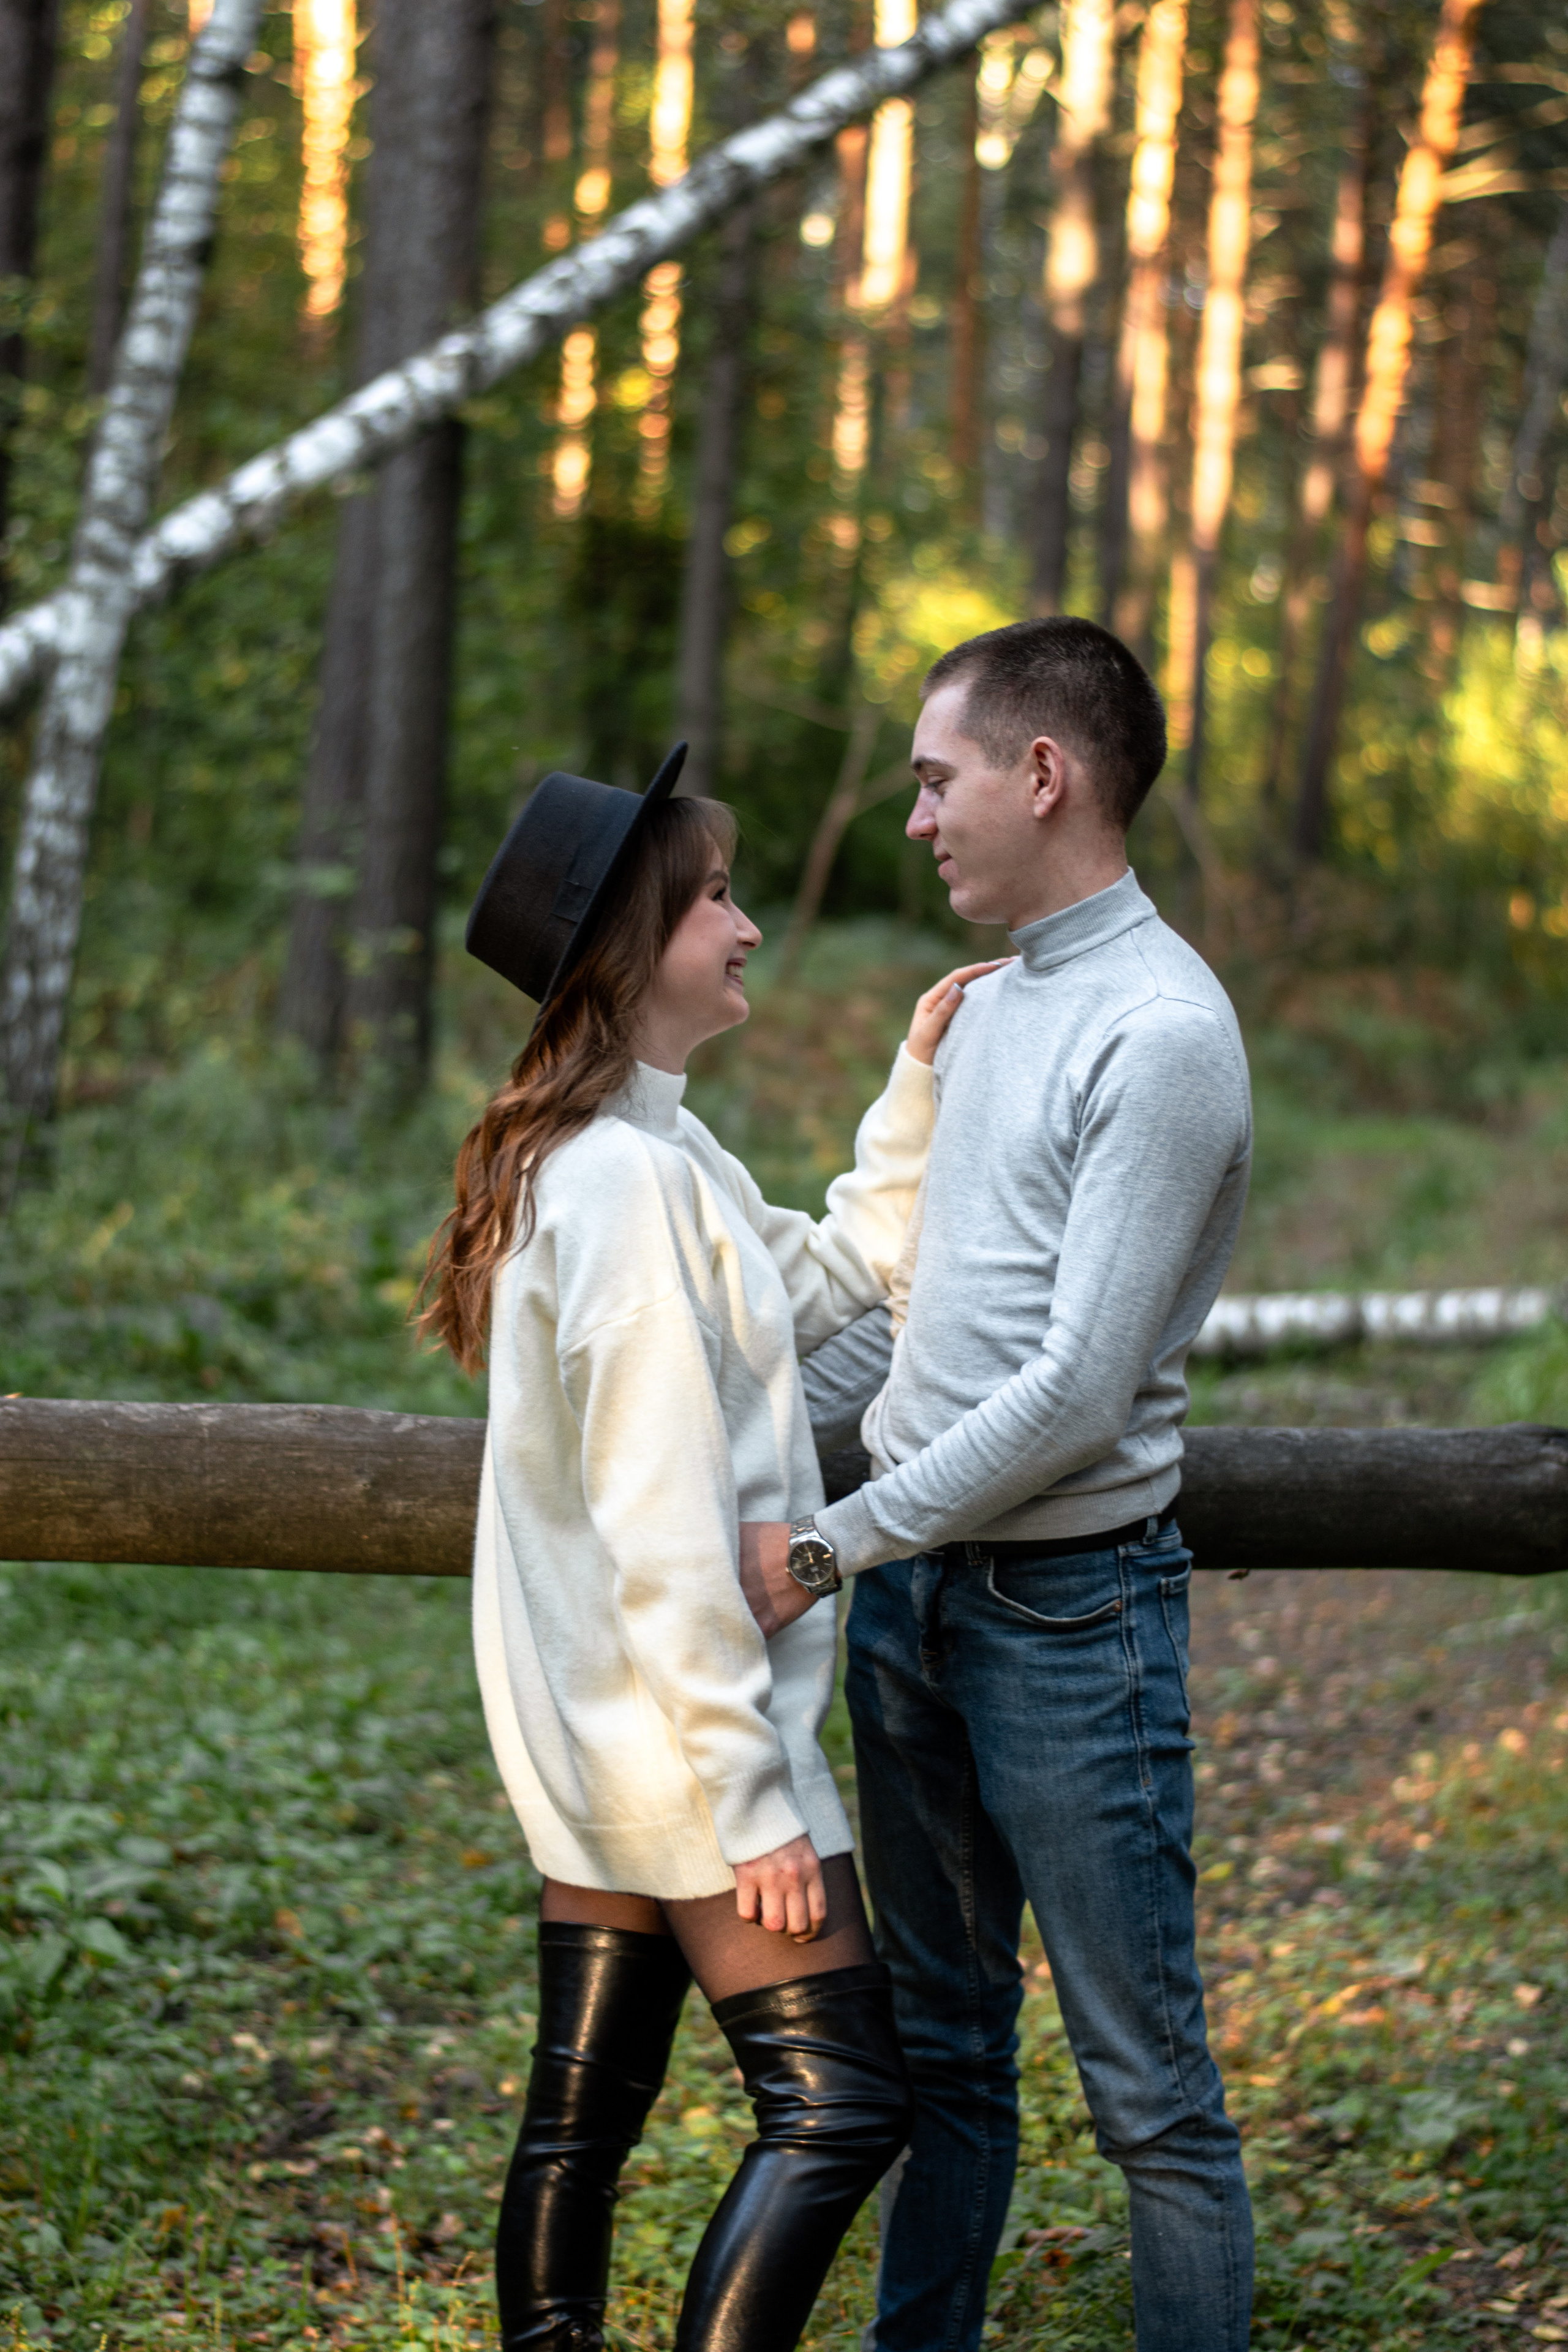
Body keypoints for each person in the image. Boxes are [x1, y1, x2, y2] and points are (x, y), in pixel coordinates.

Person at [420, 746, 1001, 2352]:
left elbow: (832, 1282)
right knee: (841, 2107)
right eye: (718, 899)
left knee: (577, 2127)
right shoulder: (613, 1187)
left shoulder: (655, 1160)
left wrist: (919, 1079)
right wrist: (756, 1803)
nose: (747, 929)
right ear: (632, 945)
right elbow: (666, 1530)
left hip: (610, 1739)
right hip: (687, 1753)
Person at [741, 619, 1256, 2352]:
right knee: (945, 2059)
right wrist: (709, 1438)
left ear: (1044, 776)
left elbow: (1073, 1389)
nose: (917, 819)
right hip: (918, 1612)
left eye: (934, 779)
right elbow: (920, 1325)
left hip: (1067, 1625)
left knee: (1150, 2098)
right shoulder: (993, 1007)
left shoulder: (1164, 1033)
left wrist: (826, 1546)